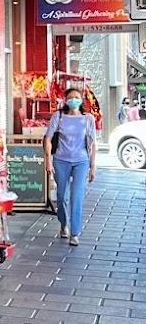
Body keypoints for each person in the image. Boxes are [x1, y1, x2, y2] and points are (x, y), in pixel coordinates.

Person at [43, 90, 97, 247]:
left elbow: (93, 144)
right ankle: (63, 223)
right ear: (65, 100)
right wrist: (48, 161)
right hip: (61, 160)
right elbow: (48, 138)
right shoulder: (58, 117)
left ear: (82, 100)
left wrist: (93, 166)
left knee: (77, 196)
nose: (74, 100)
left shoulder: (88, 119)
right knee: (61, 196)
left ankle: (75, 232)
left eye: (77, 98)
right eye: (70, 98)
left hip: (82, 161)